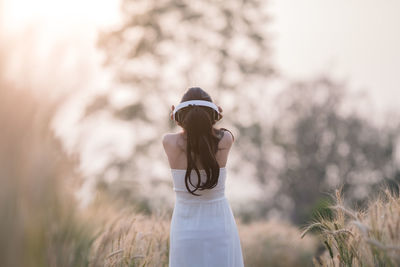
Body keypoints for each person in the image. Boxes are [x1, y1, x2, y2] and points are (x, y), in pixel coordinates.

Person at [162, 87, 245, 267]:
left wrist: (178, 120)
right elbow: (219, 132)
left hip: (184, 228)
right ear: (214, 116)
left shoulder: (169, 142)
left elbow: (190, 133)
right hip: (220, 226)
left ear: (179, 117)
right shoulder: (226, 139)